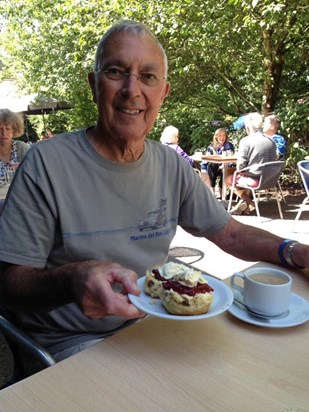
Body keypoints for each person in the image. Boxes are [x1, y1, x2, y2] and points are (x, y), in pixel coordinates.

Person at [0, 21, 308, 365]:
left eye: (148, 76)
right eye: (116, 71)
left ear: (163, 92)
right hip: (73, 344)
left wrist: (294, 251)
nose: (132, 90)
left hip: (154, 326)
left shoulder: (171, 165)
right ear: (94, 84)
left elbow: (232, 234)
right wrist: (72, 279)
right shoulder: (46, 163)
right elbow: (10, 284)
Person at [228, 112, 277, 215]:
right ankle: (245, 205)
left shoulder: (246, 141)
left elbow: (240, 167)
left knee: (228, 177)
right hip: (271, 180)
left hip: (256, 180)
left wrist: (242, 170)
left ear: (249, 125)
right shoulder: (271, 140)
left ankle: (249, 202)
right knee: (241, 174)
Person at [202, 128, 234, 196]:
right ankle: (212, 190)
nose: (222, 137)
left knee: (225, 169)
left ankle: (222, 192)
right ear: (216, 136)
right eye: (220, 135)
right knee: (212, 165)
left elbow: (232, 159)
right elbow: (207, 160)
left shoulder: (230, 146)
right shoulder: (211, 147)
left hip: (226, 165)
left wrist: (225, 165)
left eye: (224, 135)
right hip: (214, 167)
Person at [0, 109, 30, 175]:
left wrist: (24, 168)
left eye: (8, 129)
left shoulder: (22, 148)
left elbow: (37, 170)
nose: (4, 133)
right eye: (0, 129)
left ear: (14, 130)